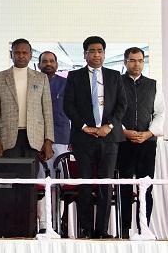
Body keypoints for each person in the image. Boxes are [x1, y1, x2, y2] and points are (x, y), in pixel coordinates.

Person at [64, 36, 127, 239]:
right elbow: (68, 106)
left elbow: (121, 105)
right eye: (92, 51)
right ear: (85, 54)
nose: (96, 54)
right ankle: (85, 229)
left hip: (109, 138)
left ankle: (102, 230)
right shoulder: (74, 77)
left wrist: (108, 126)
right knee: (85, 183)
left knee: (105, 183)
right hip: (84, 138)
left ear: (104, 54)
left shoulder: (115, 76)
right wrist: (85, 127)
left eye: (100, 51)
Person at [117, 47, 164, 238]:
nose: (136, 64)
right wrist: (124, 131)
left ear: (143, 62)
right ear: (125, 62)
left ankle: (144, 228)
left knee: (147, 186)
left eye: (140, 60)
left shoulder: (153, 85)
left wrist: (149, 133)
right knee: (125, 186)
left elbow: (160, 112)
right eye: (132, 60)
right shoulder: (117, 83)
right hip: (122, 142)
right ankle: (125, 230)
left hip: (147, 142)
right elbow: (110, 112)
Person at [0, 39, 54, 161]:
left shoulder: (41, 78)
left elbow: (48, 111)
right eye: (17, 52)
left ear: (30, 55)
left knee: (31, 177)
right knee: (10, 177)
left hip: (35, 138)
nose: (21, 56)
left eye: (25, 52)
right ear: (11, 54)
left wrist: (48, 141)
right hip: (7, 138)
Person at [36, 51, 71, 233]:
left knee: (59, 183)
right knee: (40, 183)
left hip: (60, 137)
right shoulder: (33, 82)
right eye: (44, 61)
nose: (48, 64)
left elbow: (73, 112)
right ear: (39, 64)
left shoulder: (66, 84)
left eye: (51, 61)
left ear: (57, 64)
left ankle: (58, 224)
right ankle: (43, 224)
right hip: (36, 140)